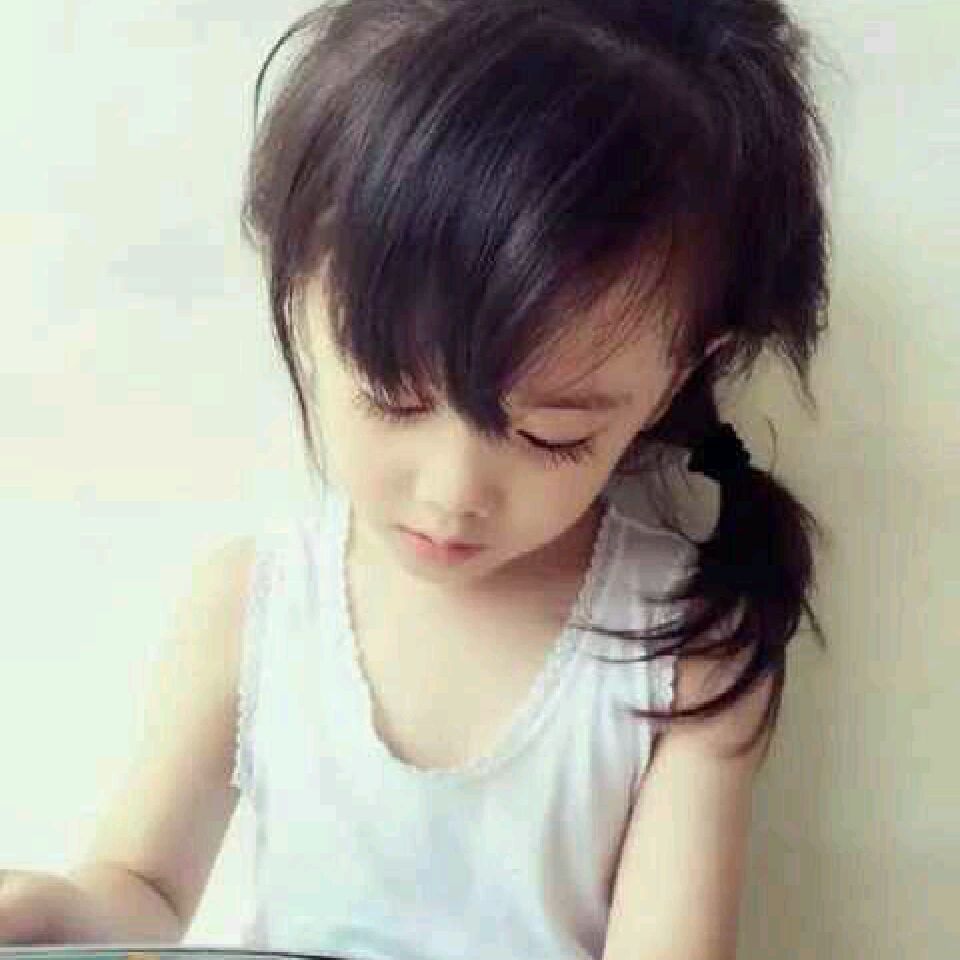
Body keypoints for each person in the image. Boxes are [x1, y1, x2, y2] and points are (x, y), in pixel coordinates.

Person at [0, 1, 833, 957]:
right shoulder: (257, 605)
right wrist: (57, 912)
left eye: (551, 435)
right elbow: (143, 888)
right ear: (299, 296)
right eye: (393, 399)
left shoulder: (684, 651)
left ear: (677, 375)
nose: (451, 492)